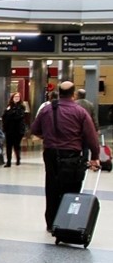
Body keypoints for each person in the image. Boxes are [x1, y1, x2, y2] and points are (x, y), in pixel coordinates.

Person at [29, 81, 100, 232]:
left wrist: (47, 137)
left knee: (52, 186)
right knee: (71, 189)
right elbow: (91, 136)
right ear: (73, 94)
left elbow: (34, 129)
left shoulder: (47, 109)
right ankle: (66, 222)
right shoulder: (80, 111)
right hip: (71, 156)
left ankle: (50, 223)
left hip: (50, 154)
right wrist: (95, 156)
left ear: (59, 93)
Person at [1, 92, 27, 167]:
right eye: (15, 96)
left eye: (18, 96)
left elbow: (19, 117)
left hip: (18, 129)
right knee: (8, 145)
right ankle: (8, 161)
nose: (17, 98)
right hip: (9, 129)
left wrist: (11, 114)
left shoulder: (21, 106)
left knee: (16, 145)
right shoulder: (8, 106)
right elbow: (4, 116)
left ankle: (18, 159)